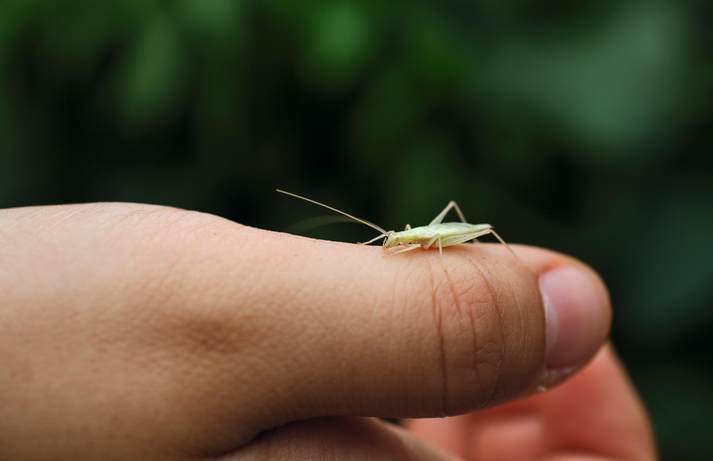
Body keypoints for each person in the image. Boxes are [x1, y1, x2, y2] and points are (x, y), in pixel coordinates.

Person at [0, 203, 655, 460]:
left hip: (461, 241)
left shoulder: (423, 238)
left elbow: (423, 243)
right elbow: (396, 248)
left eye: (392, 237)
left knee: (460, 229)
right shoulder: (399, 241)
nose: (391, 242)